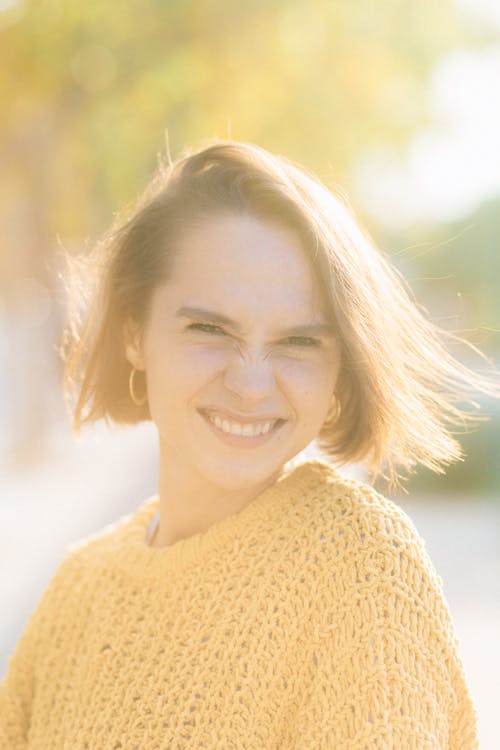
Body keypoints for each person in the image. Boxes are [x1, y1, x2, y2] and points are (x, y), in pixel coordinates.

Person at [1, 138, 497, 748]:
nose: (251, 383)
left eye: (298, 342)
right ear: (135, 332)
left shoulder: (362, 567)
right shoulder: (77, 591)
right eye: (209, 328)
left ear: (340, 365)